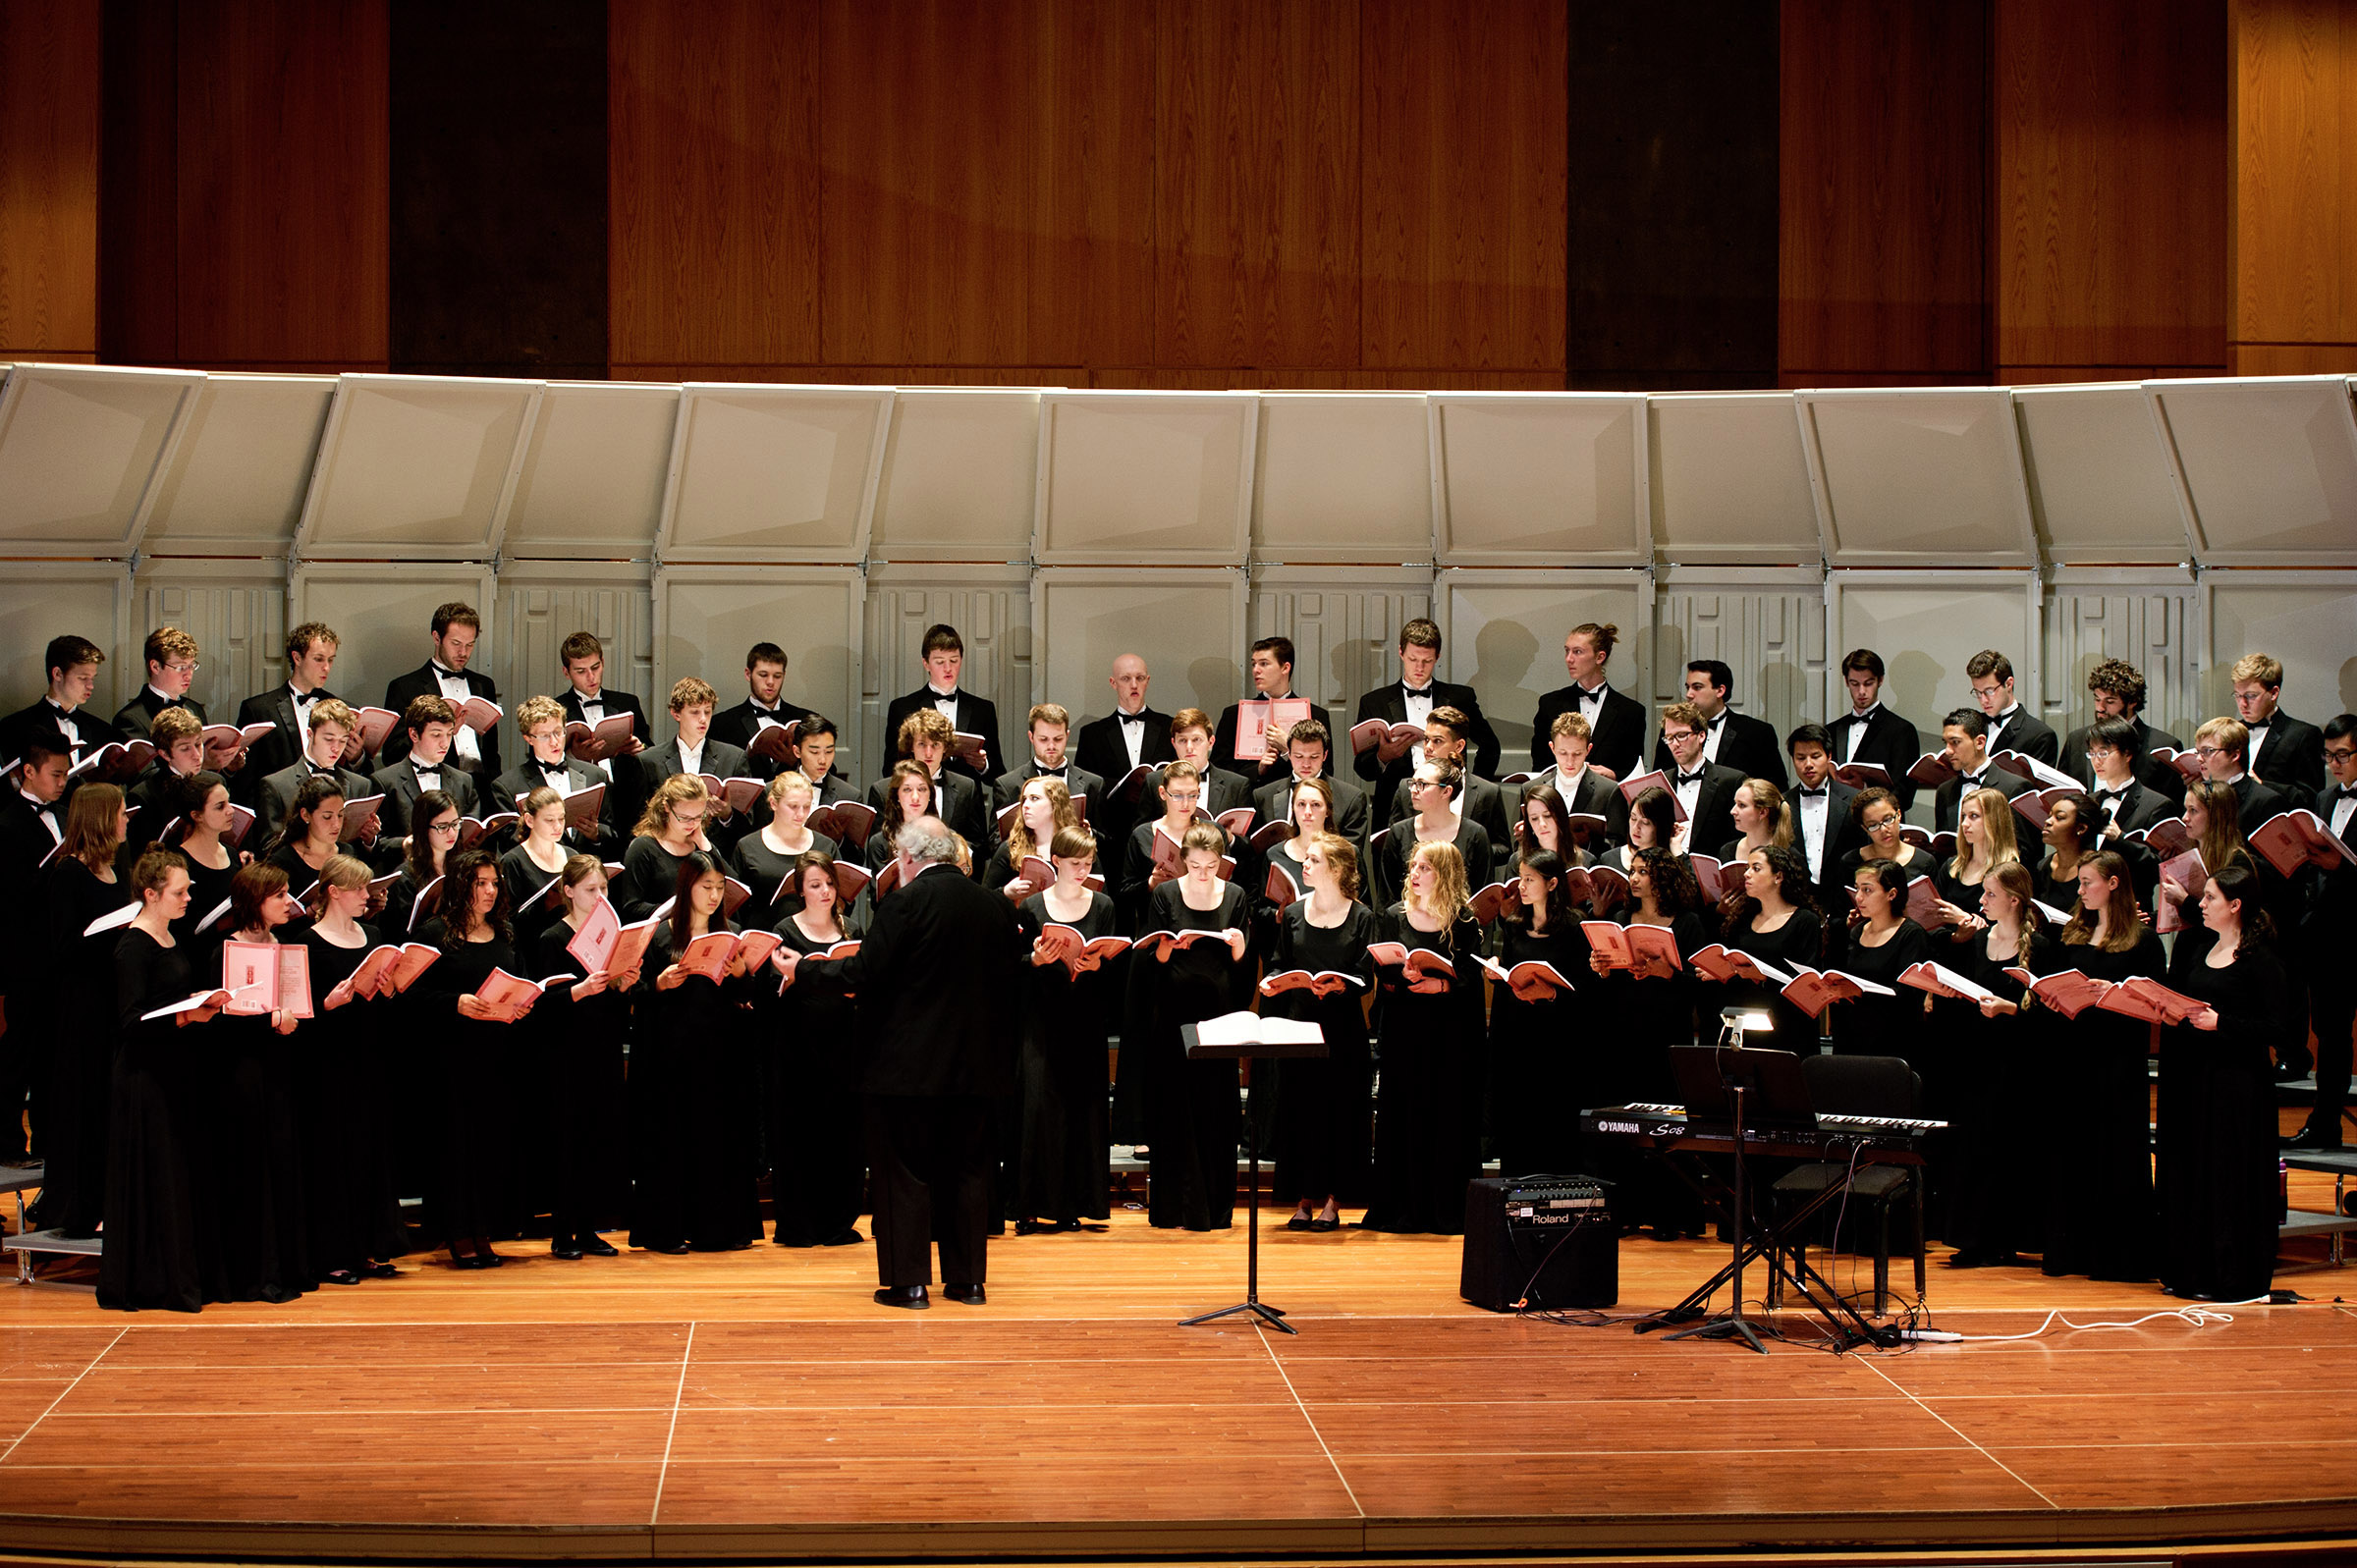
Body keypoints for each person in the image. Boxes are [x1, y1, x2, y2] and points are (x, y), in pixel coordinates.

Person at [782, 816, 1022, 1309]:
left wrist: (805, 970)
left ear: (909, 858)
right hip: (979, 1069)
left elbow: (865, 972)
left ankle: (908, 1284)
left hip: (906, 1070)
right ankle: (967, 1281)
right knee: (970, 1172)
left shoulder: (904, 903)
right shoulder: (995, 906)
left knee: (904, 1174)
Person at [2160, 865, 2293, 1302]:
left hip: (2239, 1087)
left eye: (2210, 898)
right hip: (2199, 1079)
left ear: (2235, 905)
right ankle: (2194, 1270)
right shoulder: (2203, 948)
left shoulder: (2260, 959)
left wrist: (2224, 1024)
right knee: (2199, 1174)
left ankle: (2231, 1276)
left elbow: (2278, 1027)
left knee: (2229, 1176)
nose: (2201, 903)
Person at [98, 848, 223, 1312]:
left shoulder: (170, 936)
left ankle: (180, 1274)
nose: (189, 896)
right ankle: (154, 1280)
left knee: (178, 1177)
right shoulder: (132, 947)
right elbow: (130, 1022)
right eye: (180, 891)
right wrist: (186, 1017)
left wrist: (199, 1003)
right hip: (144, 1078)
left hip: (176, 1071)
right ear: (150, 895)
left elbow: (168, 997)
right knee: (158, 1177)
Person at [630, 851, 765, 1254]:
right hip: (672, 1057)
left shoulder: (732, 932)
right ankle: (667, 1231)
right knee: (673, 1142)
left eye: (720, 888)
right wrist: (659, 984)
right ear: (686, 887)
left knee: (718, 1140)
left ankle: (720, 1229)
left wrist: (742, 975)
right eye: (706, 887)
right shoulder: (659, 936)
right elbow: (635, 995)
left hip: (720, 1056)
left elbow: (745, 999)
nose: (713, 895)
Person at [1125, 819, 1254, 1233]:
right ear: (1184, 861)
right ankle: (1174, 1208)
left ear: (1221, 862)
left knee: (1216, 1111)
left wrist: (1239, 949)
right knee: (1174, 1110)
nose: (1202, 873)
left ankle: (1214, 1207)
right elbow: (1150, 963)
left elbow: (1242, 971)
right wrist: (1164, 950)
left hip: (1217, 1016)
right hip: (1174, 1017)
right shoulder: (1164, 893)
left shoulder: (1234, 895)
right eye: (1195, 865)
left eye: (1210, 866)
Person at [2044, 850, 2164, 1282]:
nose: (2079, 891)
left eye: (2087, 883)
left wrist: (2112, 992)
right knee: (2073, 1151)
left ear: (2114, 883)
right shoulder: (2074, 932)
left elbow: (2156, 1005)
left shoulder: (2142, 941)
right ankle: (2070, 1251)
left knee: (2116, 1153)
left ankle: (2117, 1257)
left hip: (2118, 1060)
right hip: (2074, 1057)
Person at [413, 848, 532, 1268]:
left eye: (494, 883)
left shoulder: (504, 932)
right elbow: (411, 996)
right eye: (480, 883)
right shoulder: (433, 933)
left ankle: (484, 1229)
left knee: (490, 1145)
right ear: (462, 886)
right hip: (451, 1058)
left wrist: (521, 1005)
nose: (489, 890)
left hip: (497, 1056)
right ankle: (457, 1231)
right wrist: (454, 1003)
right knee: (455, 1147)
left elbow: (517, 979)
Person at [1583, 846, 1708, 1237]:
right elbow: (1608, 987)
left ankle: (1671, 1214)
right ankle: (1626, 1210)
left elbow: (1700, 987)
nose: (1633, 878)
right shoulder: (1621, 918)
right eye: (1632, 871)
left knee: (1665, 1127)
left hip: (1665, 1036)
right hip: (1622, 1035)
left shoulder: (1687, 924)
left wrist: (1666, 973)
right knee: (1623, 1127)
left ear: (1662, 878)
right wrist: (1601, 968)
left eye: (1641, 872)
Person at [205, 862, 316, 1303]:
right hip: (243, 1075)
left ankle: (287, 1265)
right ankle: (254, 1272)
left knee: (284, 1165)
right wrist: (268, 1020)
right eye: (280, 895)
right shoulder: (225, 952)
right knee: (250, 1169)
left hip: (281, 1069)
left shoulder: (285, 946)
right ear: (256, 902)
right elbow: (220, 1024)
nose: (289, 902)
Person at [1362, 840, 1485, 1234]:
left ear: (1444, 874)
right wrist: (1403, 976)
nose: (1414, 874)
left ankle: (1443, 1208)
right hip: (1404, 1029)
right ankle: (1401, 1208)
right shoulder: (1394, 915)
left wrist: (1441, 987)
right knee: (1404, 1114)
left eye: (1425, 868)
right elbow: (1381, 968)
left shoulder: (1463, 922)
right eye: (1413, 866)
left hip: (1447, 1036)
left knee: (1445, 1114)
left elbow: (1469, 980)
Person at [296, 854, 407, 1283]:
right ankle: (333, 1253)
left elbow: (385, 1008)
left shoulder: (374, 935)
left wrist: (391, 989)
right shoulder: (308, 942)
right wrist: (329, 1003)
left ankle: (367, 1248)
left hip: (370, 1059)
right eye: (359, 889)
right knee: (334, 1158)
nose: (367, 895)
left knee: (369, 1155)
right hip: (330, 1065)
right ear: (334, 893)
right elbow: (304, 1013)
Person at [1260, 830, 1376, 1231]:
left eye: (1313, 861)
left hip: (1342, 1031)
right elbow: (1279, 961)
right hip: (1300, 1028)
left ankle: (1333, 1199)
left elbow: (1366, 976)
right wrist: (1275, 980)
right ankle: (1304, 1197)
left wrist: (1342, 984)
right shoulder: (1293, 914)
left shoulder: (1361, 916)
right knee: (1300, 1112)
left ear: (1337, 869)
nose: (1304, 866)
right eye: (1305, 859)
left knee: (1340, 1114)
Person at [33, 784, 136, 1237]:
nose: (126, 820)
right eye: (120, 813)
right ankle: (75, 1206)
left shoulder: (119, 869)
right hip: (82, 1006)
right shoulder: (67, 874)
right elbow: (61, 949)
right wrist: (109, 934)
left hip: (113, 1000)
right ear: (99, 818)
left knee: (109, 1105)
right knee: (85, 1102)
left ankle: (109, 1201)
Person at [524, 855, 637, 1259]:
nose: (600, 897)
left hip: (602, 1046)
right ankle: (562, 1233)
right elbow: (542, 1002)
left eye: (604, 889)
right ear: (568, 891)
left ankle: (589, 1228)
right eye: (591, 889)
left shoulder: (610, 937)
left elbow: (613, 1003)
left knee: (598, 1137)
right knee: (568, 1140)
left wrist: (624, 985)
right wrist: (581, 990)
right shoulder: (552, 938)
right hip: (566, 1052)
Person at [1011, 825, 1120, 1234]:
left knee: (1080, 1111)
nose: (1081, 870)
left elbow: (1113, 965)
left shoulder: (1103, 904)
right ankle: (1029, 1206)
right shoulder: (1032, 907)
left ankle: (1073, 1204)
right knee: (1037, 1110)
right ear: (1056, 860)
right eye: (1075, 863)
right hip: (1042, 1019)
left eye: (1088, 863)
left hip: (1084, 1019)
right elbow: (1015, 966)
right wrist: (1035, 962)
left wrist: (1098, 964)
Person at [1938, 861, 2046, 1268]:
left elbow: (2046, 1013)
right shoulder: (1977, 942)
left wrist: (2010, 1010)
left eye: (1990, 895)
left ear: (2013, 901)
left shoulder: (2040, 946)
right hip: (1977, 1058)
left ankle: (2007, 1238)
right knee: (1974, 1148)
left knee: (2009, 1150)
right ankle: (1974, 1237)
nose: (1981, 901)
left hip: (2016, 1063)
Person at [765, 851, 866, 1248]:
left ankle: (838, 1222)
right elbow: (772, 992)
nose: (825, 891)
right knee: (800, 1133)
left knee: (842, 1135)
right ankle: (799, 1225)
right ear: (799, 891)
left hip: (844, 1043)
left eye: (828, 883)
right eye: (815, 885)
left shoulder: (853, 929)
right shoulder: (785, 931)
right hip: (799, 1046)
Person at [1486, 849, 1591, 1178]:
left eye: (1530, 880)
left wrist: (1552, 992)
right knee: (1520, 1118)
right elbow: (1510, 978)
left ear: (1552, 883)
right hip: (1520, 1036)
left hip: (1558, 1041)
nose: (1522, 887)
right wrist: (1497, 972)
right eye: (1521, 879)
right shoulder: (1515, 926)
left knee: (1555, 1119)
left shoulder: (1574, 928)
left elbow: (1584, 989)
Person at [1351, 618, 1500, 819]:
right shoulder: (1373, 702)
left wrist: (1472, 787)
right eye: (1413, 659)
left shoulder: (1460, 698)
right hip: (1395, 804)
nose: (1419, 667)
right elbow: (1363, 769)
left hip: (1450, 801)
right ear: (1401, 653)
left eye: (1427, 661)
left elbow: (1490, 746)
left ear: (1437, 657)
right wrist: (1383, 756)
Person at [2289, 714, 2357, 1151]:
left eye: (2343, 756)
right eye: (2329, 756)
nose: (2334, 764)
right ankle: (2325, 1122)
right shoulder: (2324, 796)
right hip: (2329, 937)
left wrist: (2347, 870)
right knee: (2331, 1035)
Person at [1715, 844, 1824, 1048]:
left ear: (1778, 876)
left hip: (1789, 1024)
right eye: (1748, 868)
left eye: (1756, 868)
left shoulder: (1804, 920)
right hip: (1746, 1017)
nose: (1746, 874)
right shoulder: (1743, 918)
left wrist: (1763, 976)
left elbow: (1809, 983)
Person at [379, 602, 502, 780]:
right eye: (456, 643)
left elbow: (491, 749)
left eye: (470, 645)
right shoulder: (405, 687)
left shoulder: (484, 685)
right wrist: (445, 731)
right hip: (435, 783)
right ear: (437, 638)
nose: (463, 652)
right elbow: (392, 754)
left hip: (482, 786)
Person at [1074, 653, 1177, 854]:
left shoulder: (1169, 727)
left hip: (1159, 830)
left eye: (1139, 678)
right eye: (1125, 678)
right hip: (1111, 831)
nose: (1134, 685)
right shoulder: (1092, 734)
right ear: (1113, 683)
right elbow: (1084, 784)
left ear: (1148, 681)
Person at [881, 623, 1003, 791]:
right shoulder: (903, 708)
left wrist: (983, 765)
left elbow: (998, 776)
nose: (948, 668)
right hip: (919, 800)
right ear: (926, 663)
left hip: (967, 808)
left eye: (954, 660)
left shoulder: (983, 710)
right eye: (940, 662)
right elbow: (890, 769)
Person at [1830, 858, 1932, 1057]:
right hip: (1853, 1036)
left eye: (1867, 890)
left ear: (1892, 894)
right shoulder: (1857, 931)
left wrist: (1860, 992)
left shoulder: (1911, 934)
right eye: (1857, 889)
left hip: (1893, 1041)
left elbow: (1908, 995)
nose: (1858, 897)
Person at [489, 695, 616, 855]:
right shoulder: (507, 786)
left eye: (558, 732)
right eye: (544, 736)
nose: (554, 742)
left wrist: (596, 834)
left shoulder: (595, 775)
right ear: (528, 738)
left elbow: (612, 833)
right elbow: (508, 845)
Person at [637, 676, 751, 851]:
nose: (703, 719)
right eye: (695, 712)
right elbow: (640, 819)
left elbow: (748, 825)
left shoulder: (734, 757)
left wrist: (726, 815)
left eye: (707, 711)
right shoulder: (649, 760)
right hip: (665, 854)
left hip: (715, 856)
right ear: (676, 714)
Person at [235, 622, 346, 791]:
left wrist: (358, 756)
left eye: (331, 660)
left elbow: (354, 775)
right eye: (318, 659)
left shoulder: (342, 709)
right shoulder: (259, 710)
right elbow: (244, 781)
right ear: (297, 658)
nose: (326, 667)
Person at [1530, 621, 1646, 781]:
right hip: (1559, 799)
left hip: (1608, 799)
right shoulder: (1550, 704)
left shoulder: (1631, 712)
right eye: (1567, 651)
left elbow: (1633, 771)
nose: (1569, 659)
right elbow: (1540, 764)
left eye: (1577, 652)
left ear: (1599, 657)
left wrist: (1613, 775)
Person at [256, 698, 378, 849]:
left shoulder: (361, 785)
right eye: (329, 739)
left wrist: (369, 841)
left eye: (342, 741)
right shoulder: (276, 785)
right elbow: (269, 848)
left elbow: (366, 855)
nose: (336, 748)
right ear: (310, 734)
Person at [1385, 708, 1512, 850]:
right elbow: (1393, 843)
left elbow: (1503, 848)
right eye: (1426, 739)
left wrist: (1467, 854)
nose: (1428, 747)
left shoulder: (1487, 791)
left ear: (1459, 746)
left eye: (1437, 741)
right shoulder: (1406, 789)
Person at [2061, 658, 2185, 804]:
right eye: (2097, 699)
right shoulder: (2076, 740)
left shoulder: (2163, 746)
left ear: (2132, 702)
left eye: (2110, 701)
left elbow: (2171, 808)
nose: (2100, 708)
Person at [557, 630, 652, 819]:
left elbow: (651, 750)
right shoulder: (555, 710)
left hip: (627, 800)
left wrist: (640, 748)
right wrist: (575, 756)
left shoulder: (627, 703)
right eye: (581, 671)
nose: (591, 677)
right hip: (581, 800)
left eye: (595, 667)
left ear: (603, 662)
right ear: (566, 672)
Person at [1212, 635, 1334, 781]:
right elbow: (1218, 771)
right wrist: (1257, 770)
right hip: (1249, 796)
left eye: (1264, 664)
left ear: (1285, 668)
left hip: (1297, 797)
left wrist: (1289, 748)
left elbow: (1326, 772)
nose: (1256, 670)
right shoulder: (1234, 714)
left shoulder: (1316, 715)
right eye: (1253, 664)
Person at [1372, 760, 1492, 906]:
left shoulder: (1475, 834)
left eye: (1422, 784)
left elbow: (1482, 898)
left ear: (1446, 791)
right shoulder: (1398, 832)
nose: (1414, 790)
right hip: (1407, 923)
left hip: (1459, 924)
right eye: (1413, 783)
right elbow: (1386, 897)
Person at [1652, 660, 1785, 788]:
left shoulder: (1756, 732)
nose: (1689, 694)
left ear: (1720, 690)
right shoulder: (1671, 731)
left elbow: (1776, 787)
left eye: (1697, 687)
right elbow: (1659, 781)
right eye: (1688, 687)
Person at [372, 695, 480, 853]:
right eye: (436, 735)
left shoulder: (464, 781)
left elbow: (471, 831)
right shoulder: (384, 781)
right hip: (408, 872)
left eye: (449, 734)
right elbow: (377, 842)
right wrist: (404, 844)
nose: (445, 743)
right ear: (414, 734)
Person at [867, 707, 985, 845]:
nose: (928, 753)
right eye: (922, 744)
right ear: (911, 746)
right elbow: (877, 846)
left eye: (935, 744)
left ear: (945, 747)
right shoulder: (882, 791)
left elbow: (980, 845)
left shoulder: (966, 787)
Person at [1826, 648, 1924, 810]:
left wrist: (1864, 790)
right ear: (1846, 681)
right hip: (1838, 824)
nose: (1861, 691)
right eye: (1854, 684)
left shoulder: (1901, 730)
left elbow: (1904, 795)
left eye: (1868, 683)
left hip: (1880, 825)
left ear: (1880, 680)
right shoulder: (1831, 730)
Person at [731, 770, 839, 912]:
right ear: (773, 804)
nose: (801, 814)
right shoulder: (747, 847)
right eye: (793, 806)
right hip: (763, 930)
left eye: (806, 807)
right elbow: (736, 904)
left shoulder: (826, 846)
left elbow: (839, 899)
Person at [615, 774, 715, 923]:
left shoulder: (701, 847)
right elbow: (631, 907)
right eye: (684, 817)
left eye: (699, 816)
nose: (692, 823)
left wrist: (705, 845)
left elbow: (732, 889)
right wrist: (679, 911)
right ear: (667, 807)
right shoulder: (643, 847)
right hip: (661, 937)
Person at [1255, 721, 1373, 844]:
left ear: (1325, 755)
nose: (1306, 764)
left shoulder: (1351, 799)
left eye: (1314, 757)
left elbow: (1350, 855)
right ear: (1289, 754)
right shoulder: (1263, 796)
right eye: (1299, 756)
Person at [0, 632, 106, 769]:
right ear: (57, 674)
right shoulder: (14, 727)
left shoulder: (101, 729)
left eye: (93, 678)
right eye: (83, 678)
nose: (91, 686)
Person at [1786, 722, 1865, 904]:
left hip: (1845, 901)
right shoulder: (1781, 803)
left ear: (1829, 756)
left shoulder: (1855, 800)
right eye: (1800, 758)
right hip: (1796, 902)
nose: (1808, 764)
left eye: (1815, 756)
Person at [710, 639, 814, 777]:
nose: (770, 682)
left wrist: (797, 763)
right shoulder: (722, 724)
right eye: (763, 675)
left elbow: (829, 774)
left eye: (777, 676)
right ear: (748, 674)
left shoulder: (807, 720)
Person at [2233, 651, 2326, 802]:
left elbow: (2310, 798)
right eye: (2237, 695)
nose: (2242, 704)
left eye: (2251, 696)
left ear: (2274, 693)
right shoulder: (2231, 731)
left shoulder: (2303, 735)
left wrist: (2261, 786)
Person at [164, 770, 243, 945]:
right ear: (196, 815)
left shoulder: (231, 854)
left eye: (229, 802)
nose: (230, 811)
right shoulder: (178, 861)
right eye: (220, 806)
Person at [982, 775, 1087, 903]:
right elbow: (984, 898)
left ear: (1055, 805)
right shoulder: (1011, 847)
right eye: (1024, 799)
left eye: (1034, 799)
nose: (1025, 805)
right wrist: (1006, 891)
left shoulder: (1079, 847)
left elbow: (1101, 897)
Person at [1932, 785, 2021, 931]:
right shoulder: (1952, 866)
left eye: (1974, 816)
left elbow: (2009, 929)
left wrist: (1964, 919)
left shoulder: (2011, 872)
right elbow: (1935, 919)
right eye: (1963, 816)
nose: (1964, 824)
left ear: (1994, 820)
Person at [495, 785, 574, 949]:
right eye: (550, 820)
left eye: (561, 818)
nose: (558, 826)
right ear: (530, 820)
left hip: (570, 944)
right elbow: (506, 921)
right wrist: (545, 906)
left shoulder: (572, 855)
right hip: (532, 948)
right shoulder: (513, 861)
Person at [1932, 708, 2034, 834]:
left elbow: (2027, 849)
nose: (1948, 751)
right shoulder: (1945, 791)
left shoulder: (2015, 788)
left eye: (1955, 742)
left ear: (1980, 742)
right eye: (1946, 743)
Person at [993, 702, 1104, 816]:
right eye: (1044, 739)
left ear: (1067, 736)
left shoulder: (1093, 784)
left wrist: (1087, 831)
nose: (1051, 746)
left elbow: (1104, 833)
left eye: (1058, 739)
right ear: (1031, 737)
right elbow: (997, 833)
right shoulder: (1008, 786)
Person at [2192, 716, 2289, 838]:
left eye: (2207, 751)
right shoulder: (2199, 795)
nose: (2199, 758)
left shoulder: (2266, 801)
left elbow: (2272, 854)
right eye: (2197, 752)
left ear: (2234, 755)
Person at [113, 625, 215, 741]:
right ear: (155, 667)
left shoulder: (195, 709)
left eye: (191, 666)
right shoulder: (130, 719)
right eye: (181, 667)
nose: (189, 674)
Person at [380, 789, 460, 938]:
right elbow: (400, 934)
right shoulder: (404, 878)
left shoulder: (460, 866)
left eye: (455, 824)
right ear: (423, 827)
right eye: (443, 827)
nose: (452, 833)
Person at [1519, 712, 1617, 832]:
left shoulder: (1609, 790)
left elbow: (1616, 843)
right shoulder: (1530, 789)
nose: (1570, 762)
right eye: (1563, 753)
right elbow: (1519, 846)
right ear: (1552, 748)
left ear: (1588, 749)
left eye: (1577, 754)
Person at [1836, 784, 1941, 892]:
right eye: (1873, 825)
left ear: (1899, 815)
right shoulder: (1851, 862)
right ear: (1865, 828)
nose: (1883, 830)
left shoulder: (1924, 862)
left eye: (1888, 819)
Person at [1966, 649, 2058, 767]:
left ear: (2009, 684)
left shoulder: (2039, 735)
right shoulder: (1971, 726)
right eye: (1978, 693)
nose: (1983, 700)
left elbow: (2033, 784)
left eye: (1989, 691)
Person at [2085, 716, 2174, 838]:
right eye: (2092, 754)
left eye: (2103, 753)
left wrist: (2120, 839)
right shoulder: (2088, 802)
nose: (2096, 761)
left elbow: (2155, 857)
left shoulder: (2156, 805)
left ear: (2127, 754)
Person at [263, 773, 347, 901]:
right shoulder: (283, 861)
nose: (336, 824)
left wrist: (370, 909)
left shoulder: (347, 852)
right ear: (305, 815)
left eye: (340, 815)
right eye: (327, 817)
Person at [866, 760, 939, 876]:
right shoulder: (879, 843)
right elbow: (879, 891)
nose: (915, 797)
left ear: (930, 794)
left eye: (922, 789)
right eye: (907, 790)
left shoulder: (945, 838)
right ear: (897, 796)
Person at [1715, 777, 1791, 866]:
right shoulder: (1727, 851)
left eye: (1742, 805)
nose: (1733, 811)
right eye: (1735, 803)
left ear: (1762, 812)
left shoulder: (1788, 856)